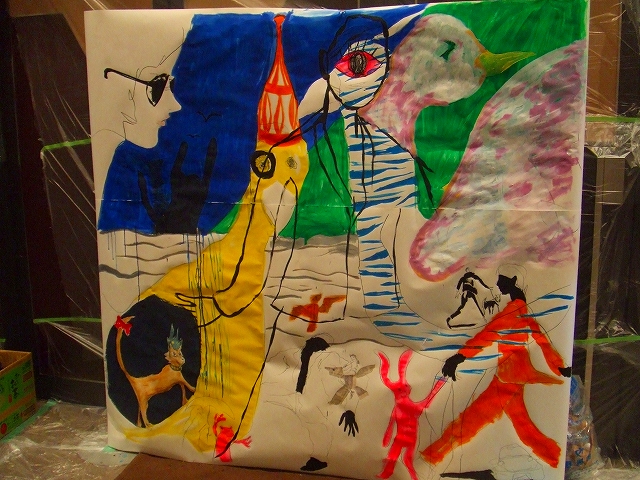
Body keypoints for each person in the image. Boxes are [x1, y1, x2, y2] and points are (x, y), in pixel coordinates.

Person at [421, 271, 572, 468]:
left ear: (511, 283)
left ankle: (433, 455)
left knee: (473, 419)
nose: (498, 285)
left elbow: (486, 336)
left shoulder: (513, 312)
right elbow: (542, 340)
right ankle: (554, 457)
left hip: (508, 378)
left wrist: (458, 358)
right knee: (523, 426)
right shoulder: (523, 310)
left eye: (501, 281)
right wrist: (559, 367)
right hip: (514, 376)